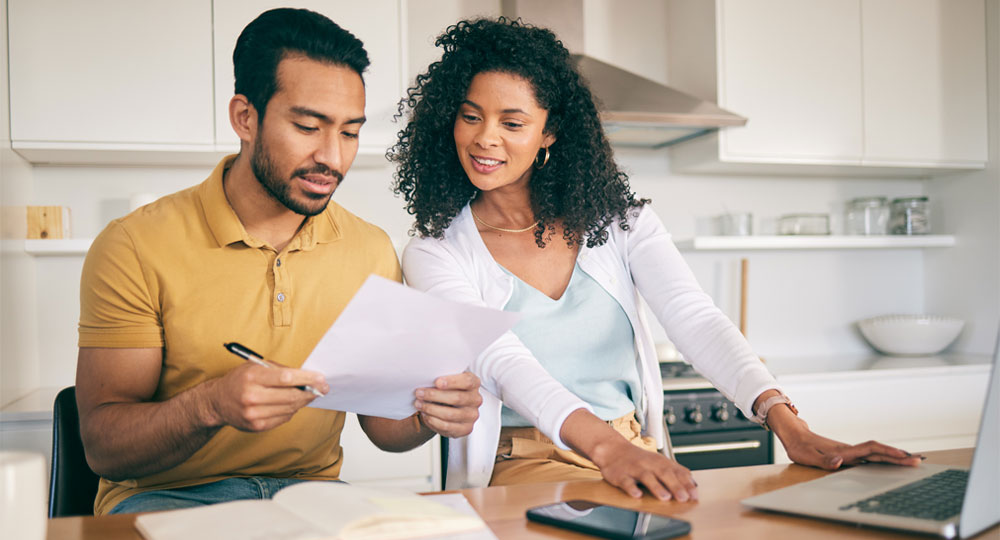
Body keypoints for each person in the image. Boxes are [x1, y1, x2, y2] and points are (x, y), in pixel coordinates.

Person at [389, 17, 921, 502]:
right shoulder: (436, 251)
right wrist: (606, 450)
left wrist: (791, 429)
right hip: (525, 464)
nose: (485, 138)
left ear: (548, 133)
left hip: (632, 447)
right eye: (471, 117)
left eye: (512, 122)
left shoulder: (621, 223)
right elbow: (502, 363)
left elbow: (696, 320)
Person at [75, 8, 481, 516]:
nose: (333, 157)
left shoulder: (369, 249)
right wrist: (210, 406)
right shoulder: (134, 245)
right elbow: (103, 447)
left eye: (350, 133)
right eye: (308, 126)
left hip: (314, 499)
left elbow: (383, 428)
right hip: (166, 500)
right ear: (245, 117)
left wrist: (431, 413)